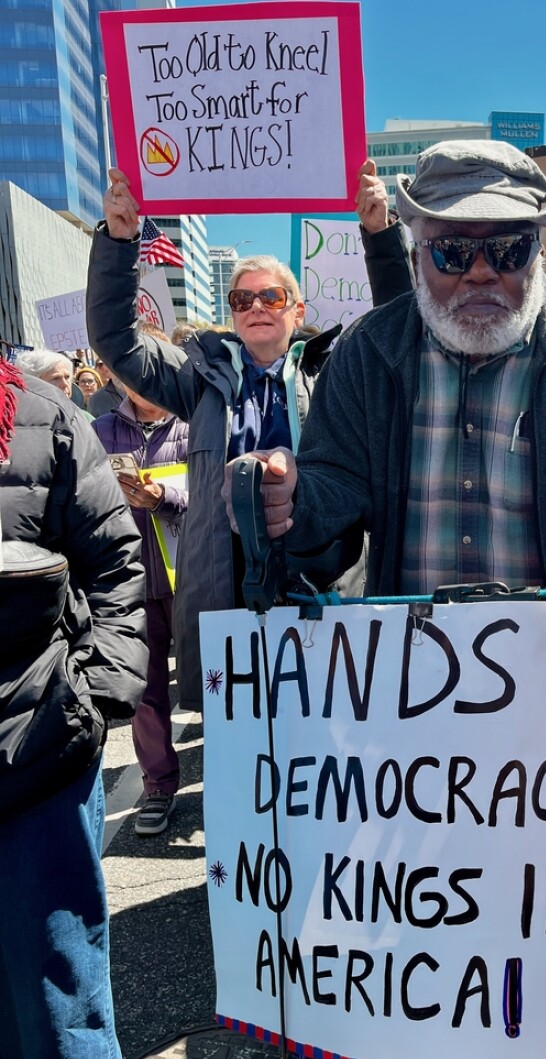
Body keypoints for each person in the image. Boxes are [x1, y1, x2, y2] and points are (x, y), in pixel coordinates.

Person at [228, 140, 546, 1059]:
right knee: (421, 937)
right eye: (452, 254)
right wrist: (283, 505)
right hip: (412, 720)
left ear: (539, 245)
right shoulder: (369, 351)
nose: (481, 275)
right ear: (415, 242)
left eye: (507, 249)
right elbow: (327, 514)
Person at [86, 160, 412, 713]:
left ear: (297, 309)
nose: (256, 307)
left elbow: (401, 323)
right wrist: (119, 243)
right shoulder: (200, 377)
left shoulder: (336, 370)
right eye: (242, 300)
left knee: (327, 717)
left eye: (271, 297)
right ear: (231, 315)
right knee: (241, 733)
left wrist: (380, 235)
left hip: (321, 571)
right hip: (227, 580)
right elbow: (117, 339)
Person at [0, 357, 147, 1059]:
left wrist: (90, 704)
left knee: (55, 960)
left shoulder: (46, 416)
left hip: (40, 745)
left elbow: (119, 568)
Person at [93, 355, 188, 837]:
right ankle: (158, 786)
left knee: (212, 687)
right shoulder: (96, 430)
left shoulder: (196, 422)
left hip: (191, 578)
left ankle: (232, 783)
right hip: (127, 581)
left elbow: (215, 495)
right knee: (145, 693)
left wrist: (164, 499)